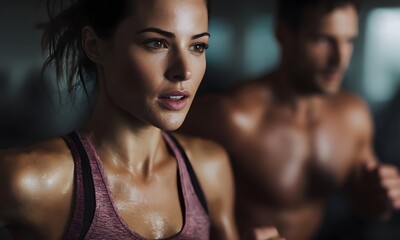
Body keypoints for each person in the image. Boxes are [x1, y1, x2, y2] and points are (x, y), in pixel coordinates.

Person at [0, 0, 261, 239]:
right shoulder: (31, 180)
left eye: (197, 46)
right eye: (157, 43)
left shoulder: (209, 170)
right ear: (93, 45)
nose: (184, 71)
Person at [180, 0, 400, 239]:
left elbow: (364, 204)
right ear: (284, 34)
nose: (339, 58)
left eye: (348, 40)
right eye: (323, 39)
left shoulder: (353, 116)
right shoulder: (231, 116)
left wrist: (383, 198)